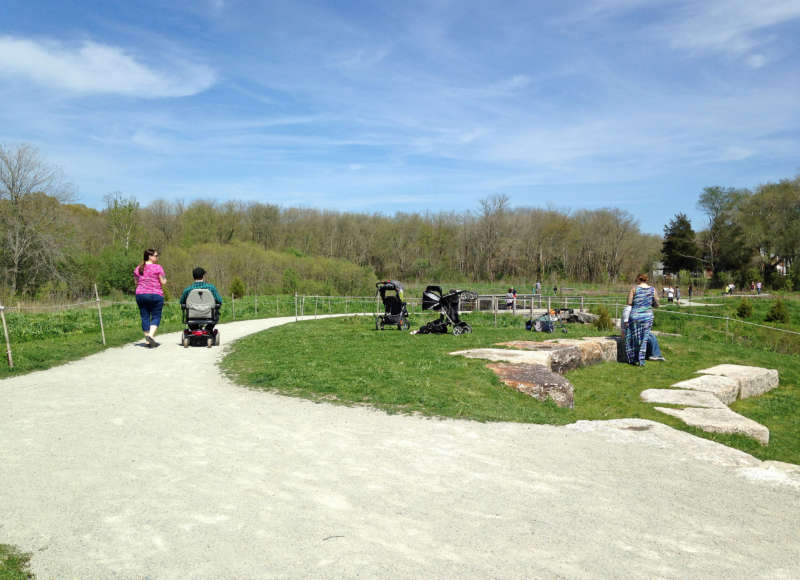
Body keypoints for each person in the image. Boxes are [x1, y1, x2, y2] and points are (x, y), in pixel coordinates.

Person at [134, 248, 167, 348]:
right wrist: (164, 278)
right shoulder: (158, 268)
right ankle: (150, 336)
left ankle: (148, 341)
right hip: (155, 294)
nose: (157, 257)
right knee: (156, 316)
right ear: (150, 256)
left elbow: (136, 282)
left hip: (141, 294)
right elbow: (163, 282)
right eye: (156, 256)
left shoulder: (138, 268)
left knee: (145, 316)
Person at [625, 273, 659, 366]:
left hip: (635, 315)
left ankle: (633, 358)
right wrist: (649, 303)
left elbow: (629, 302)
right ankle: (641, 360)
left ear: (638, 279)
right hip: (647, 316)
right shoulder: (652, 289)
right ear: (646, 280)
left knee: (633, 337)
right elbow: (657, 304)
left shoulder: (634, 289)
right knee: (644, 338)